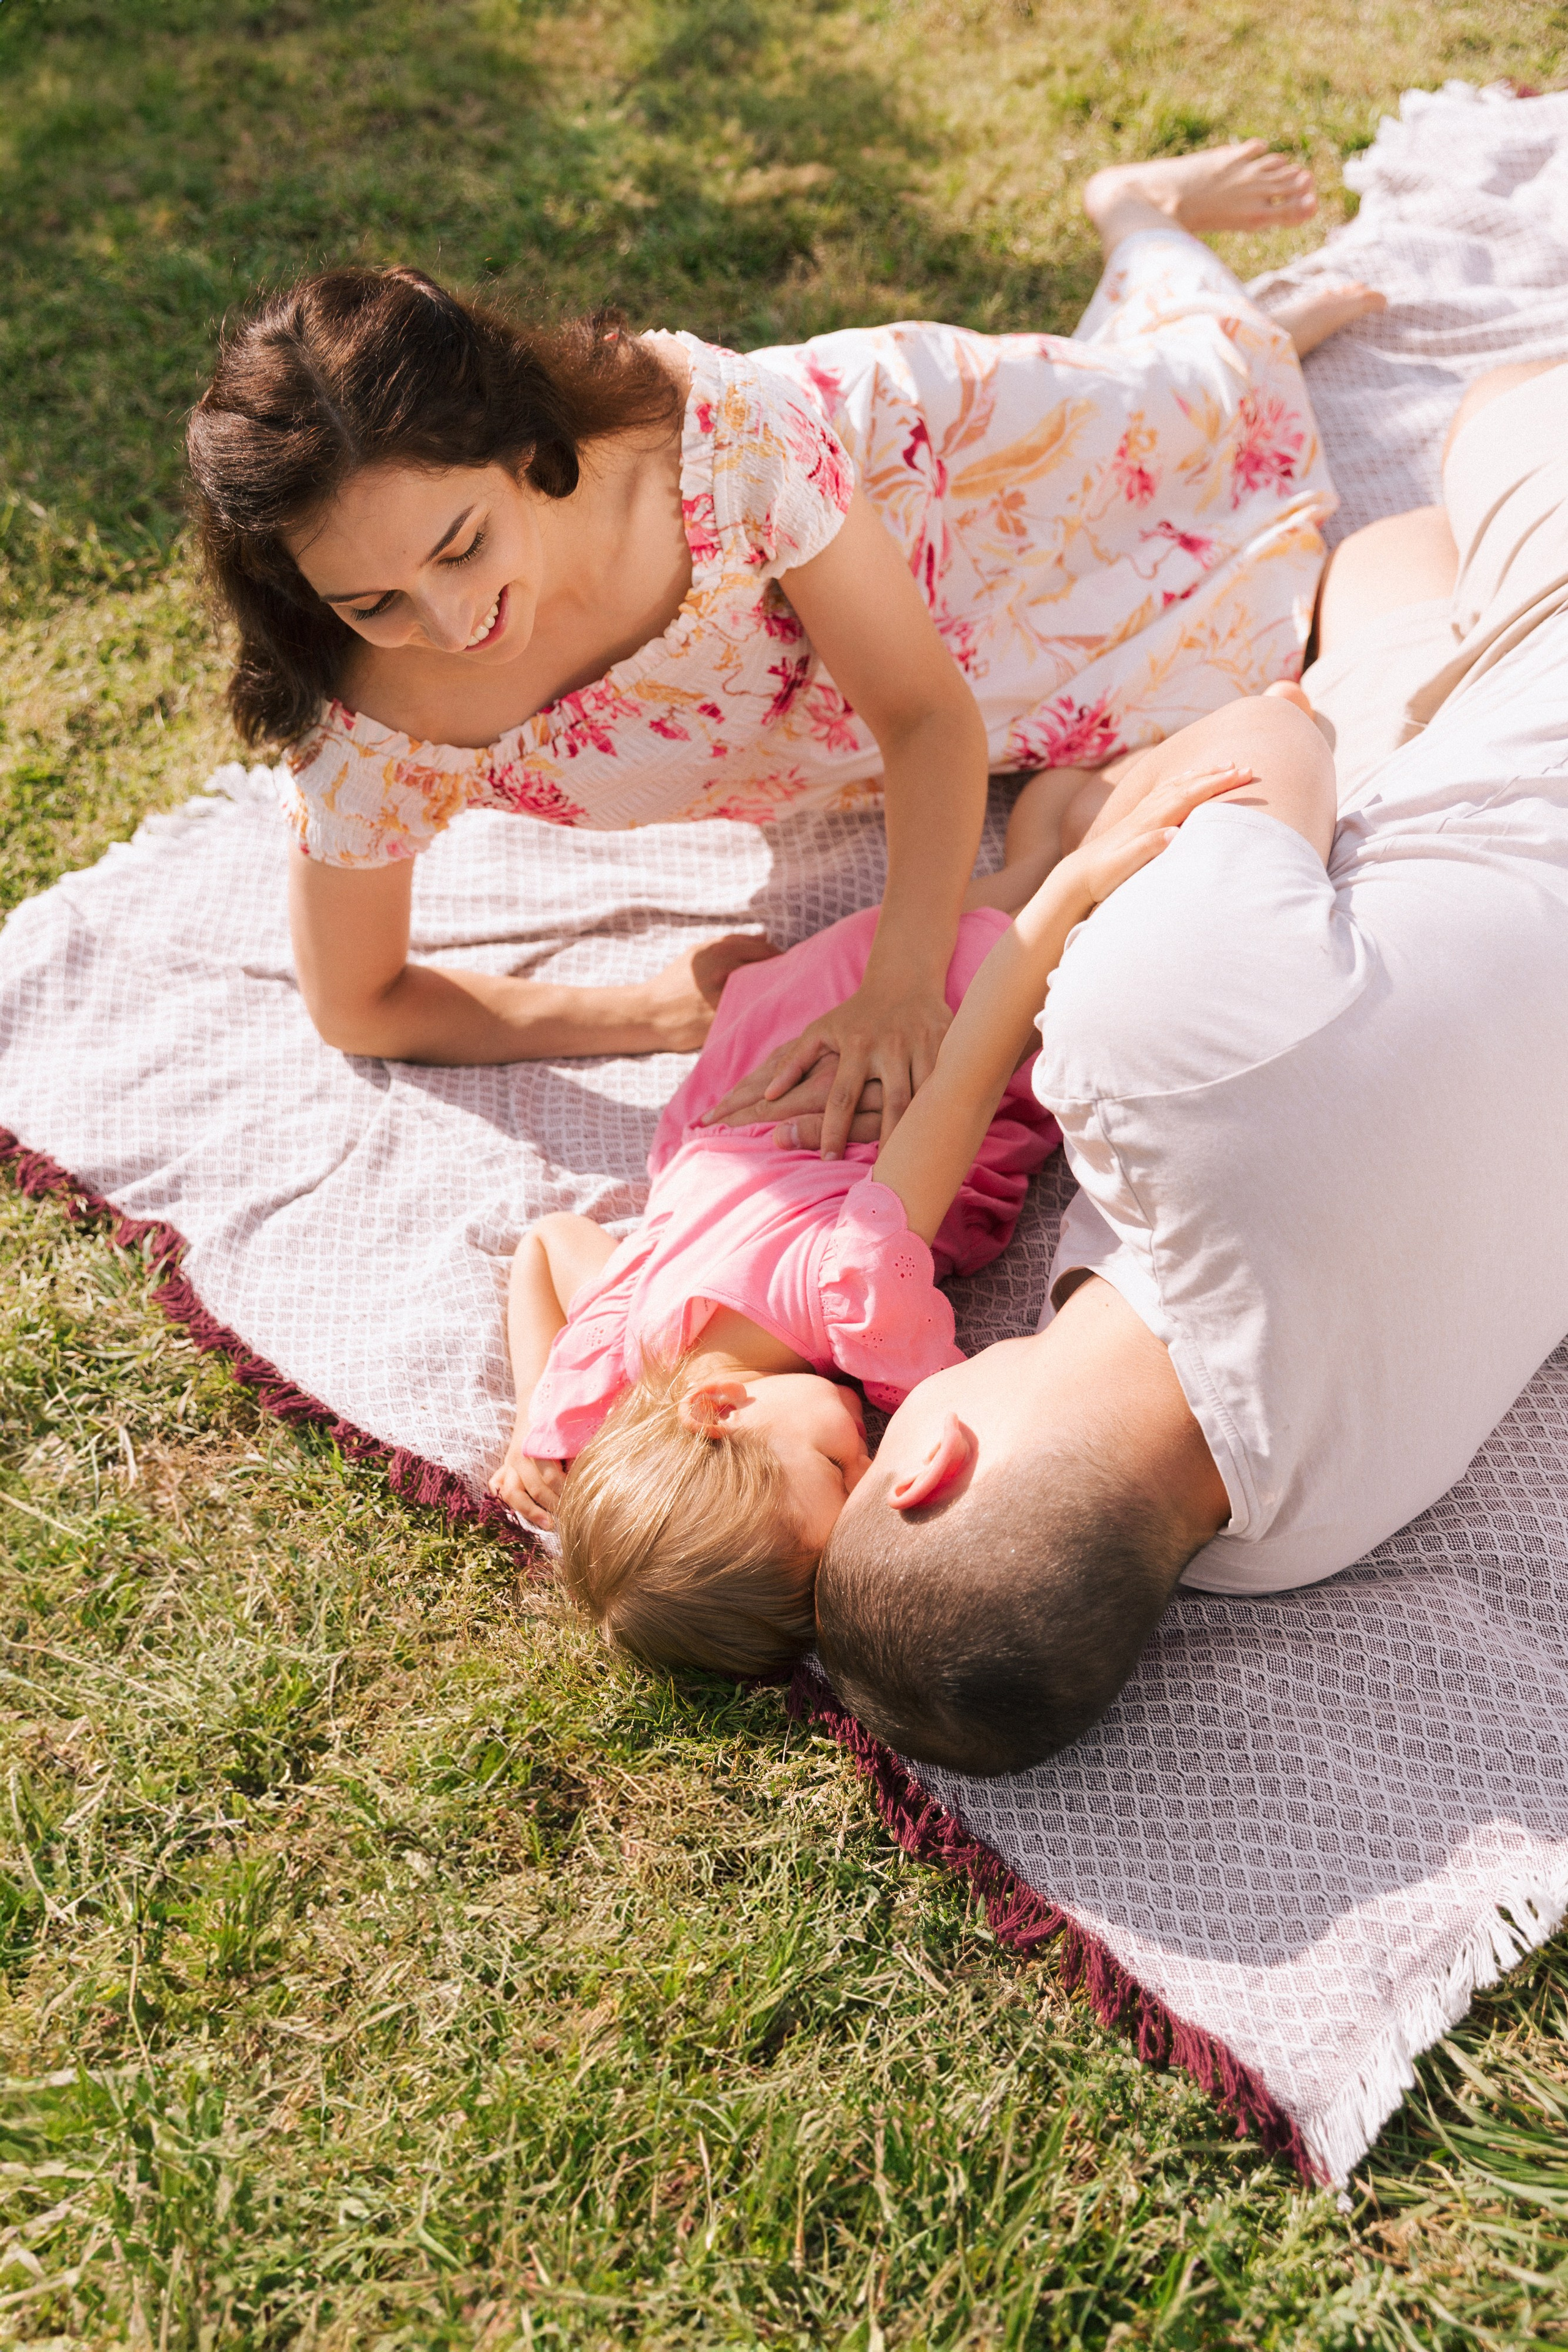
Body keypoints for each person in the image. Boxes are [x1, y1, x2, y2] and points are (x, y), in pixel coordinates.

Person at [187, 143, 1379, 1156]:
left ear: (519, 441)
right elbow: (362, 1006)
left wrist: (901, 984)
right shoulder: (368, 723)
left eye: (459, 545)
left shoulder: (716, 441)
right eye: (370, 601)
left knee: (1225, 419)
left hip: (935, 488)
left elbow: (921, 715)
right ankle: (1221, 327)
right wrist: (651, 1012)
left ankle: (1135, 216)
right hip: (858, 708)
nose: (448, 626)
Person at [812, 360, 1568, 1779]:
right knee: (1490, 419)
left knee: (1380, 583)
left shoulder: (1290, 1539)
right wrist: (1080, 892)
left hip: (1486, 848)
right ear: (924, 1467)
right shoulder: (1153, 1067)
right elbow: (1265, 735)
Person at [486, 761, 1245, 1673]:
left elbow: (965, 1080)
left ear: (721, 1406)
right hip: (787, 1021)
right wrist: (539, 1415)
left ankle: (1071, 850)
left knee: (1114, 923)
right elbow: (547, 1245)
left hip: (933, 1020)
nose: (864, 1468)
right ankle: (1040, 851)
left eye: (838, 1470)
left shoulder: (852, 1291)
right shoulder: (631, 1361)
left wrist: (1074, 898)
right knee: (1021, 884)